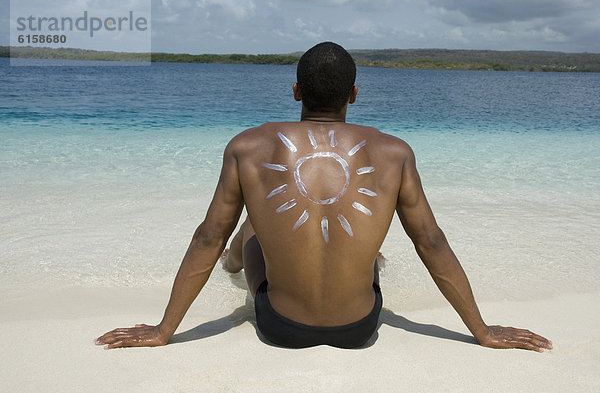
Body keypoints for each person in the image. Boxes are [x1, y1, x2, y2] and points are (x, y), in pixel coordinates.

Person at [95, 42, 552, 351]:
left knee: (253, 226)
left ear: (295, 91)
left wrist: (163, 330)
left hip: (281, 328)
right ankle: (363, 259)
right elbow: (431, 243)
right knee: (368, 250)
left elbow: (207, 237)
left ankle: (236, 264)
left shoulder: (247, 147)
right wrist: (483, 330)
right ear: (354, 94)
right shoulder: (394, 153)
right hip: (359, 329)